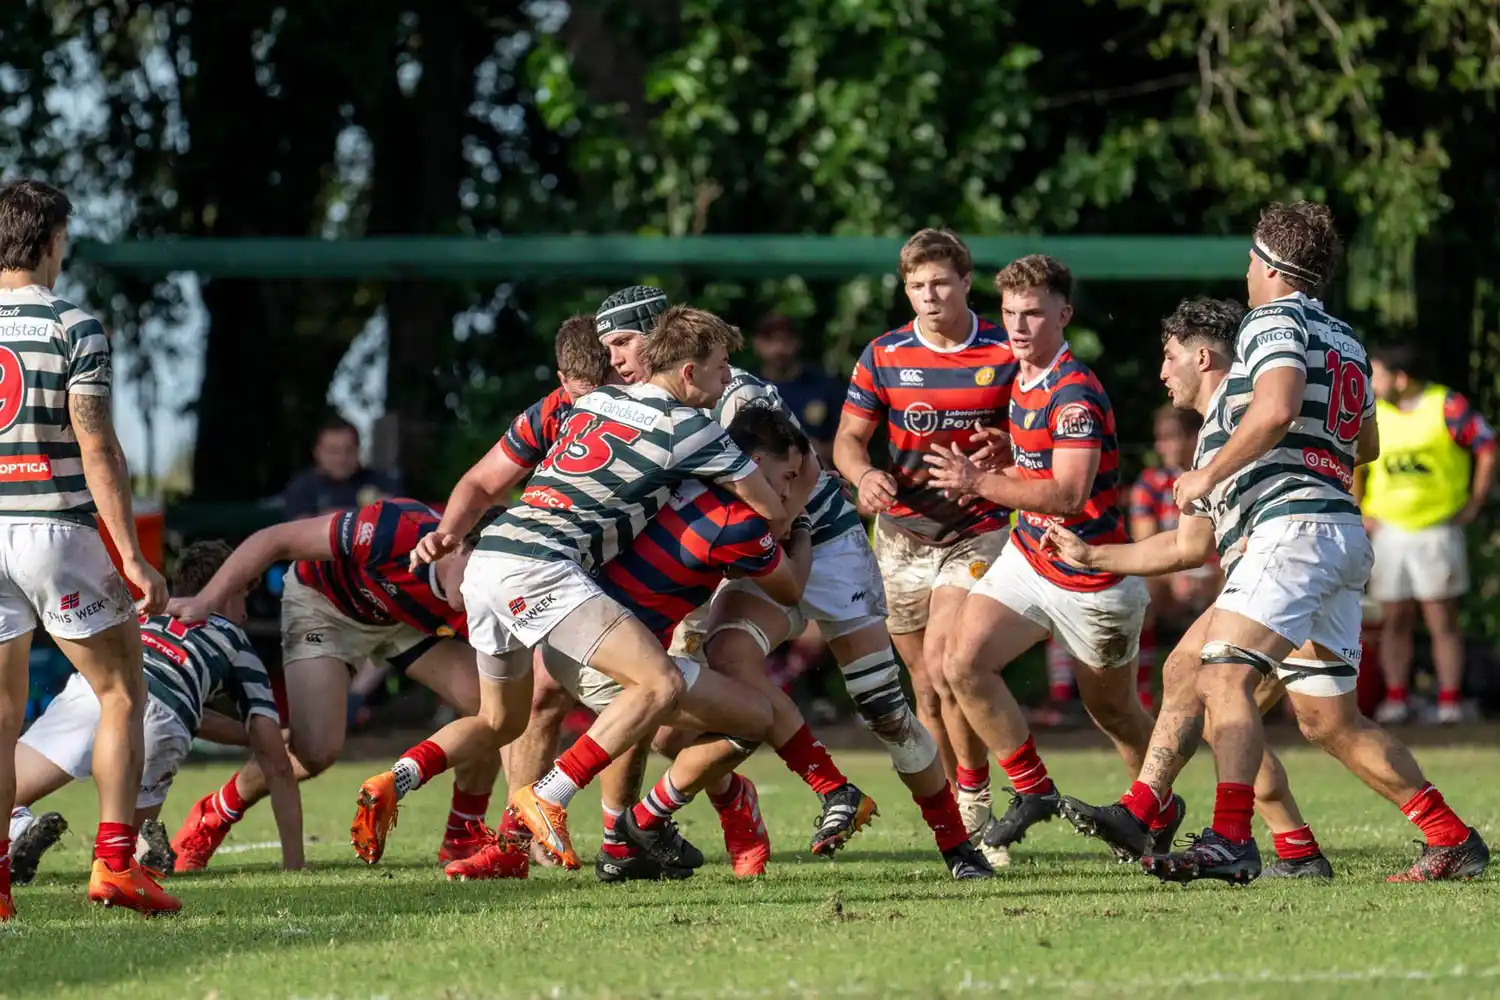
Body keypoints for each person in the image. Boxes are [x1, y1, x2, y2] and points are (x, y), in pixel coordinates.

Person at [599, 286, 989, 879]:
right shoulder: (643, 407)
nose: (616, 359)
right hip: (758, 553)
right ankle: (805, 794)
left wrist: (785, 523)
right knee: (724, 671)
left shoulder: (732, 392)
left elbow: (803, 462)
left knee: (885, 709)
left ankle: (957, 847)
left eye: (624, 342)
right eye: (608, 347)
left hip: (822, 545)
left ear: (661, 338)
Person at [1154, 200, 1488, 884]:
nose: (1246, 272)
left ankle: (1229, 838)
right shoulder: (1345, 338)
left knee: (1223, 675)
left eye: (1251, 259)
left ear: (1272, 267)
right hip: (1339, 532)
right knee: (1329, 720)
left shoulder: (1272, 321)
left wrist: (1208, 473)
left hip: (1295, 529)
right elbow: (1363, 443)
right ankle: (1451, 839)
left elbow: (1276, 409)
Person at [409, 305, 789, 871]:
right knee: (655, 686)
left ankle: (413, 783)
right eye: (719, 366)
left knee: (516, 715)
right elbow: (770, 512)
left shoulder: (589, 403)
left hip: (490, 555)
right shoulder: (693, 429)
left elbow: (491, 480)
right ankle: (548, 805)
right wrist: (801, 489)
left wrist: (448, 535)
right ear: (687, 371)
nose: (726, 378)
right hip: (548, 567)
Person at [1051, 297, 1337, 878]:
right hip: (1285, 572)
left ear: (1201, 356)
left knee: (1264, 702)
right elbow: (1187, 547)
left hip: (1295, 569)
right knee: (1198, 682)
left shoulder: (1243, 408)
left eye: (1168, 356)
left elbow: (1290, 433)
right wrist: (1092, 554)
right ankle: (1274, 842)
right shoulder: (1217, 429)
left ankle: (1230, 836)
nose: (1161, 372)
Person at [926, 254, 1155, 859]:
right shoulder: (1023, 376)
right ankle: (1033, 792)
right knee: (961, 663)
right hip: (1030, 558)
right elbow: (1044, 464)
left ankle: (1152, 807)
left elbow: (1069, 493)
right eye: (1009, 314)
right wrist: (1014, 451)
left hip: (1091, 577)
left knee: (1113, 711)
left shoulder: (1073, 391)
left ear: (1064, 314)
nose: (1018, 327)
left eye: (1032, 314)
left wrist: (979, 482)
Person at [0, 178, 176, 919]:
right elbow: (97, 447)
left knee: (2, 714)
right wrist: (132, 555)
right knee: (121, 693)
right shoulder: (73, 324)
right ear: (50, 240)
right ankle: (113, 866)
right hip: (58, 531)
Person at [164, 498, 496, 873]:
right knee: (315, 751)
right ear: (457, 546)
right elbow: (274, 539)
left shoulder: (485, 593)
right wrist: (206, 601)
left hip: (400, 621)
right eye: (477, 574)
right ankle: (216, 812)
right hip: (324, 604)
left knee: (494, 710)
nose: (479, 590)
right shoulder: (392, 529)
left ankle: (463, 837)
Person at [833, 229, 1018, 866]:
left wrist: (1011, 451)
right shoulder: (884, 355)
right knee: (926, 687)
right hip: (902, 535)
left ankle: (973, 801)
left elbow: (1040, 428)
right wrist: (864, 476)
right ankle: (957, 810)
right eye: (916, 286)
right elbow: (848, 442)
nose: (929, 296)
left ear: (966, 282)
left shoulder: (1006, 347)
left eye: (940, 282)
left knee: (945, 662)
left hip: (980, 527)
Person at [8, 542, 303, 882]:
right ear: (226, 592)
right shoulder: (236, 643)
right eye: (243, 598)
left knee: (6, 793)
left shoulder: (145, 610)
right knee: (112, 861)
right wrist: (295, 862)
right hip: (167, 718)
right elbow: (274, 759)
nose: (246, 613)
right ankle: (138, 853)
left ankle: (18, 828)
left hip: (97, 691)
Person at [1360, 343, 1495, 725]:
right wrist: (1360, 506)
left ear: (1401, 377)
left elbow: (1486, 445)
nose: (1373, 382)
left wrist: (1475, 501)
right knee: (1394, 617)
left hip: (1436, 529)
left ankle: (1450, 700)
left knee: (1441, 617)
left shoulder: (1446, 405)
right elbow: (1354, 459)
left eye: (1378, 373)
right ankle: (1398, 697)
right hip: (1389, 530)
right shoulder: (1374, 414)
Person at [1128, 405, 1223, 709]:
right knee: (1141, 594)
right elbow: (1147, 547)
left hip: (1218, 575)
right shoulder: (1150, 484)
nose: (1162, 446)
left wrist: (1217, 578)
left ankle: (1229, 693)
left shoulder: (1219, 476)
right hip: (1172, 577)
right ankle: (1139, 696)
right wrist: (1174, 577)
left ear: (1195, 437)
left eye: (1171, 437)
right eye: (1160, 438)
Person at [751, 313, 846, 465]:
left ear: (798, 342)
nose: (779, 348)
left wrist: (815, 450)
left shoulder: (824, 385)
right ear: (757, 344)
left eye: (786, 340)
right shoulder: (748, 388)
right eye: (770, 340)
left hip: (819, 476)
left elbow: (849, 438)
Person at [280, 415, 401, 519]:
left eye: (349, 450)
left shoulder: (381, 482)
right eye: (333, 451)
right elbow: (299, 531)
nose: (342, 458)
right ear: (317, 452)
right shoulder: (301, 488)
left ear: (358, 449)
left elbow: (403, 518)